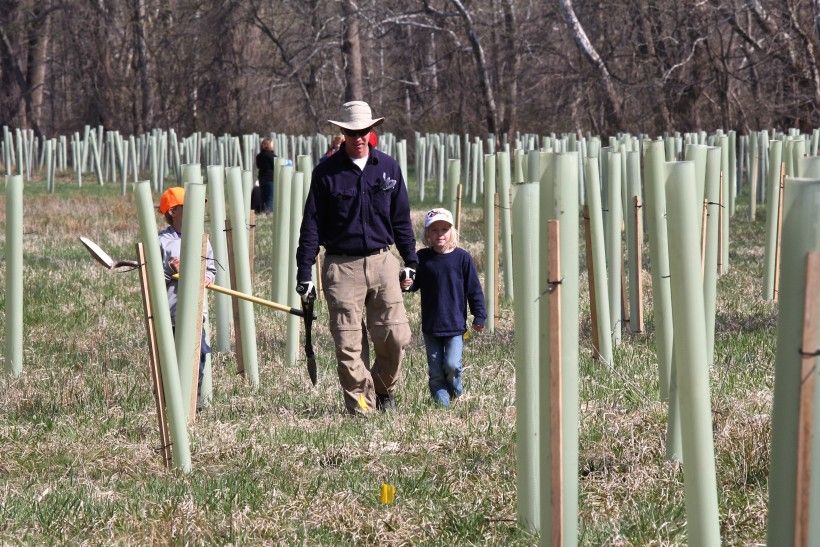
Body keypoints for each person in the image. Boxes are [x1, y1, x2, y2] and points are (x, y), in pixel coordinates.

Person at [296, 100, 417, 415]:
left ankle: (380, 389)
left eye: (364, 130)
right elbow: (311, 224)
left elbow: (402, 219)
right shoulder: (326, 174)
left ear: (372, 130)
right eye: (352, 131)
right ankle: (362, 410)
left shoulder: (388, 167)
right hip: (342, 266)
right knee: (349, 346)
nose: (359, 136)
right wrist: (304, 271)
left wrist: (411, 261)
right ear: (342, 132)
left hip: (383, 261)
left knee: (396, 337)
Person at [401, 208, 486, 407]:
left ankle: (457, 392)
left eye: (444, 229)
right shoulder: (422, 258)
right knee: (436, 372)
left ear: (452, 232)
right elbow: (414, 284)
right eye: (434, 230)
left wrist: (479, 316)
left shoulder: (462, 258)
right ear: (427, 234)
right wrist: (405, 284)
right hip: (431, 326)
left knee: (452, 365)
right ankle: (443, 406)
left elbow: (474, 289)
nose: (440, 234)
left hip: (455, 325)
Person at [158, 187, 217, 408]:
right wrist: (170, 269)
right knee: (172, 360)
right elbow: (154, 276)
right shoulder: (163, 242)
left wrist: (208, 277)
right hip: (172, 313)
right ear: (174, 211)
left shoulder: (201, 240)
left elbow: (211, 268)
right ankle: (171, 402)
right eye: (189, 206)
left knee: (198, 354)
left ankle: (194, 401)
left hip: (195, 313)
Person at [256, 137, 276, 213]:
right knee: (270, 198)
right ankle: (268, 213)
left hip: (262, 179)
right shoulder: (271, 156)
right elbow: (276, 164)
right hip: (270, 179)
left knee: (263, 197)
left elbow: (258, 166)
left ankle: (263, 212)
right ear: (269, 145)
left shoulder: (259, 156)